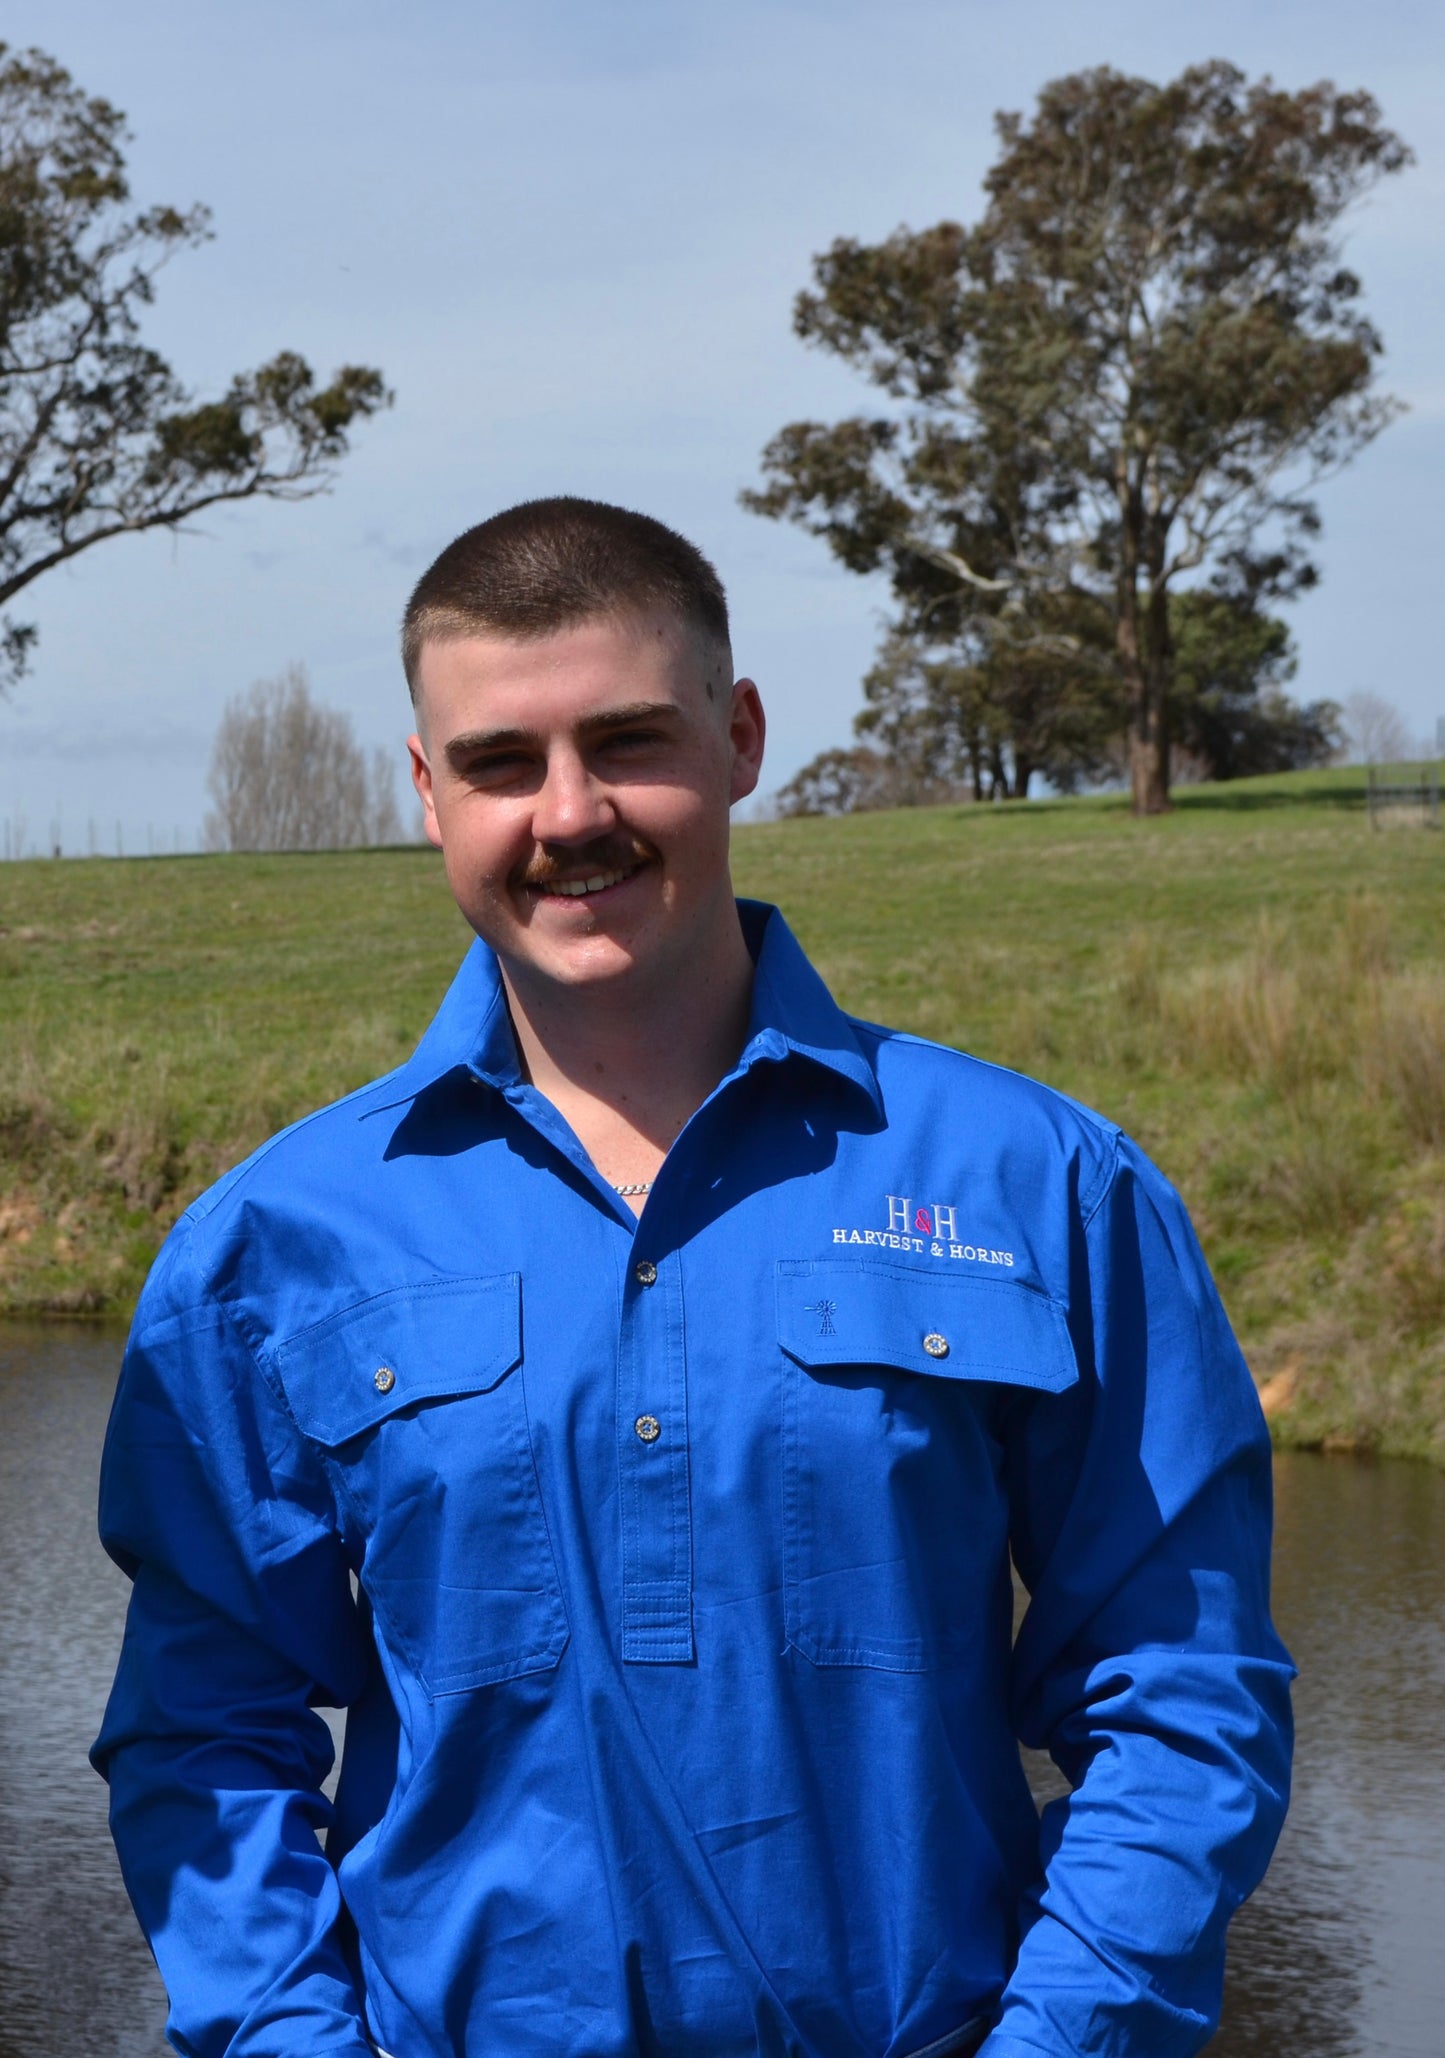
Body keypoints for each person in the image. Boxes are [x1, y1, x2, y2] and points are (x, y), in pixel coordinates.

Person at [94, 497, 1293, 2058]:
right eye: (501, 762)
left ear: (738, 736)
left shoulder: (1038, 1185)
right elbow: (205, 1745)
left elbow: (1181, 1697)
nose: (569, 811)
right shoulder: (274, 1241)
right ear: (425, 791)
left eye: (629, 741)